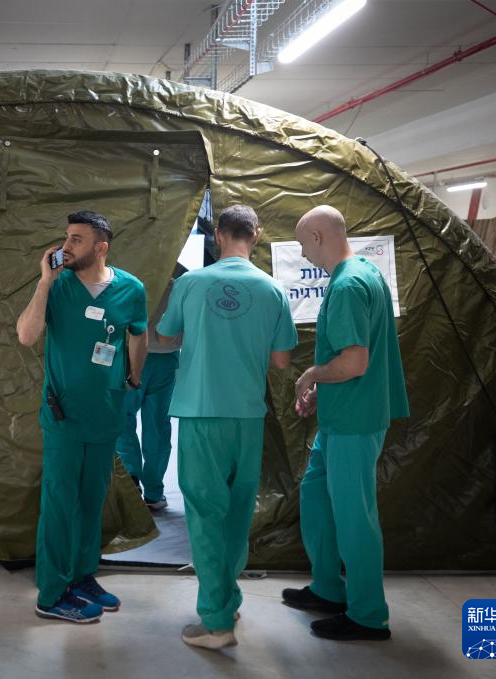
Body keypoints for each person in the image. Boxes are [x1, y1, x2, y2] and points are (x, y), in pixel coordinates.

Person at [156, 204, 297, 649]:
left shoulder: (191, 283)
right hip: (248, 416)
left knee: (204, 514)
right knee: (237, 513)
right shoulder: (273, 289)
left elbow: (167, 336)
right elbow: (281, 360)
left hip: (202, 413)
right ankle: (228, 600)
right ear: (257, 235)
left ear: (218, 234)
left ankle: (216, 623)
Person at [284, 205, 409, 642]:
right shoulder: (363, 274)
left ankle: (368, 615)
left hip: (355, 421)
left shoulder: (348, 284)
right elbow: (354, 358)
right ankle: (328, 588)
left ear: (317, 237)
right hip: (344, 415)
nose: (303, 253)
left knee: (355, 517)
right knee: (316, 494)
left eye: (302, 244)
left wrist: (311, 375)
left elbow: (354, 362)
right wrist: (325, 389)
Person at [16, 210, 148, 624]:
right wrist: (44, 281)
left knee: (92, 504)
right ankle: (52, 594)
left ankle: (80, 576)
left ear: (101, 247)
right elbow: (26, 335)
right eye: (66, 237)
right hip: (64, 417)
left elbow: (139, 332)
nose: (66, 246)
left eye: (77, 239)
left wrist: (133, 376)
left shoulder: (131, 289)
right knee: (60, 505)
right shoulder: (58, 287)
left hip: (105, 415)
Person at [116, 278, 180, 510]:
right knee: (158, 425)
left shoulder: (130, 272)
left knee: (123, 419)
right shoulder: (182, 280)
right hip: (165, 355)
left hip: (130, 353)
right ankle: (154, 492)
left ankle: (131, 479)